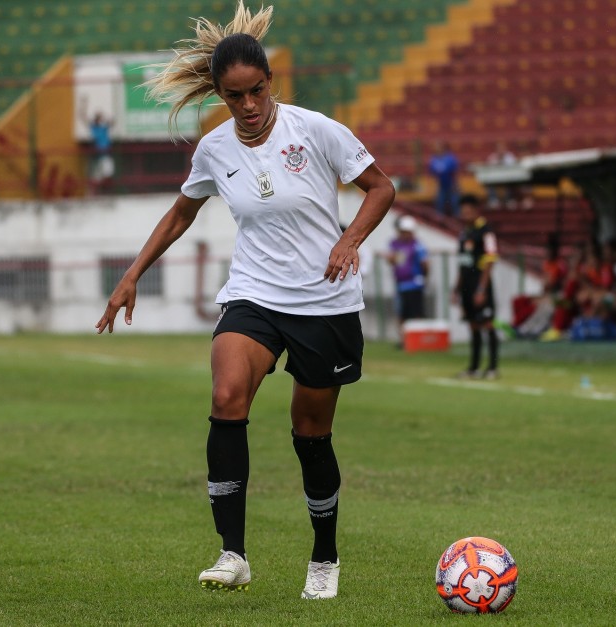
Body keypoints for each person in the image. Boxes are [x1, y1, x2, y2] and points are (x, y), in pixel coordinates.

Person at [95, 1, 394, 600]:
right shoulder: (214, 150)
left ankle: (324, 559)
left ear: (271, 83)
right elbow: (183, 210)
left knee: (310, 434)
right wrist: (132, 273)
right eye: (235, 97)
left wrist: (349, 239)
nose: (249, 107)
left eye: (257, 92)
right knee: (226, 396)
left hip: (324, 302)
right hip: (254, 295)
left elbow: (381, 188)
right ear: (220, 95)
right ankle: (232, 553)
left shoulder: (315, 131)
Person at [454, 195, 499, 378]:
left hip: (481, 284)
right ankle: (473, 368)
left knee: (487, 324)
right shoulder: (465, 233)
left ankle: (493, 368)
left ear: (476, 211)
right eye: (463, 212)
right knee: (473, 325)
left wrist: (481, 289)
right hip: (467, 285)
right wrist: (457, 289)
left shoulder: (486, 232)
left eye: (468, 212)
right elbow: (462, 262)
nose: (465, 215)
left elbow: (490, 261)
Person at [382, 215, 429, 342]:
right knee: (402, 312)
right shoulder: (395, 244)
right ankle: (404, 340)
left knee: (416, 312)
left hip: (414, 283)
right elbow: (391, 260)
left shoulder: (417, 245)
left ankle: (417, 339)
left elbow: (425, 264)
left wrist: (424, 277)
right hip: (401, 283)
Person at [80, 97, 114, 195]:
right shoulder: (94, 127)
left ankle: (102, 190)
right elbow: (83, 118)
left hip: (105, 152)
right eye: (98, 117)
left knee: (107, 172)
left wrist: (105, 114)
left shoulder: (104, 127)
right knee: (95, 174)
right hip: (97, 153)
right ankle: (95, 191)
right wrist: (83, 106)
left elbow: (112, 122)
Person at [427, 141, 459, 217]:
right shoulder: (433, 159)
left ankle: (458, 219)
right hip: (440, 185)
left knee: (455, 203)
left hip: (451, 184)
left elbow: (453, 170)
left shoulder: (450, 158)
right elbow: (431, 172)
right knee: (439, 204)